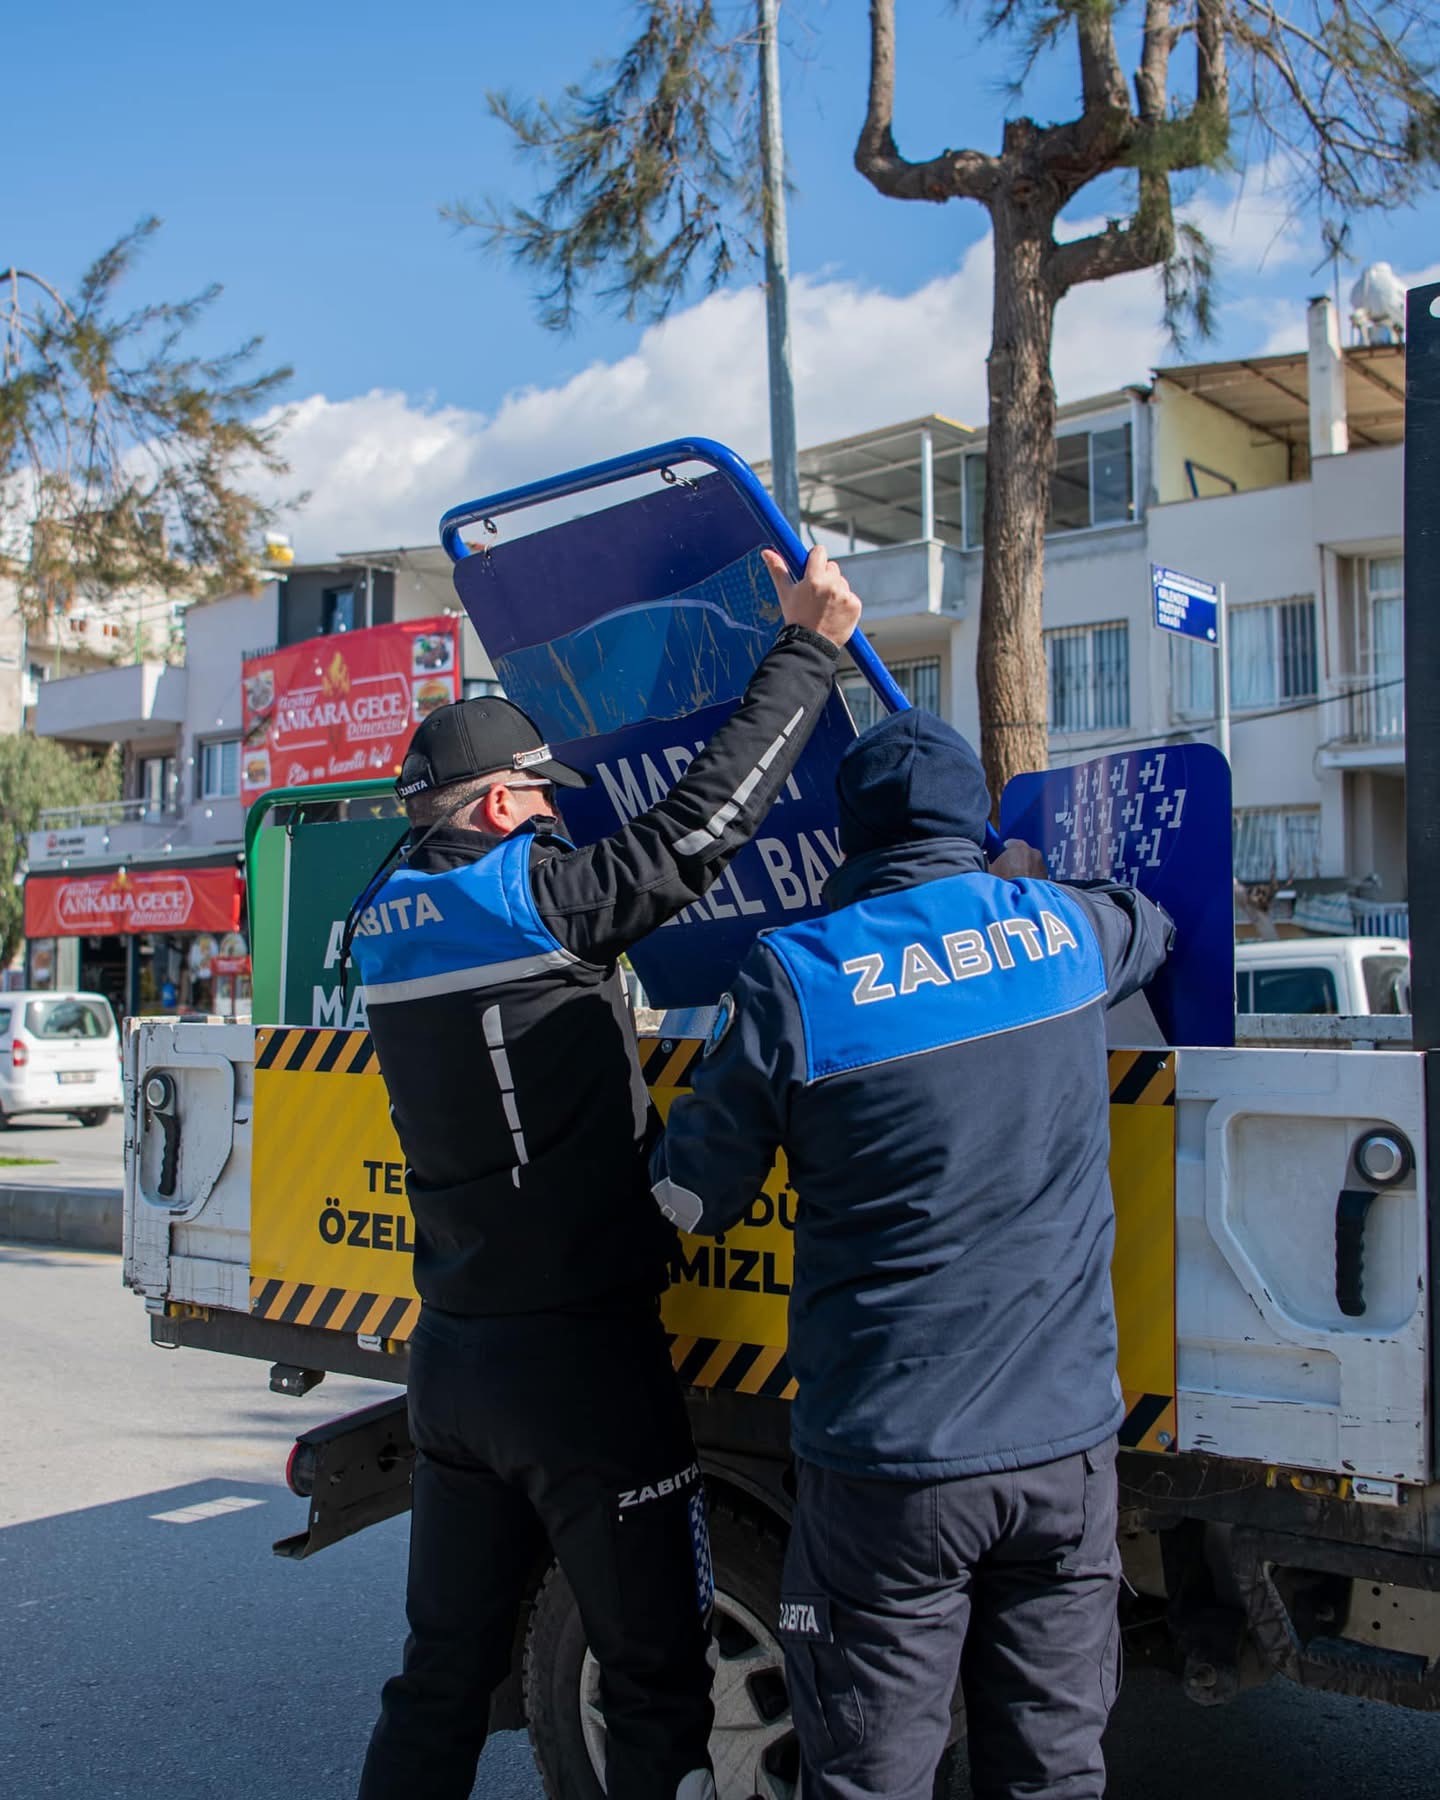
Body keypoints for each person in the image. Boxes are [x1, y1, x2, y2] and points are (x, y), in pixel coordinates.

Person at [347, 546, 861, 1800]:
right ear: (511, 805)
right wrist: (809, 649)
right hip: (581, 1361)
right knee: (653, 1681)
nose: (564, 815)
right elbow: (709, 821)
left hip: (454, 1359)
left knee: (437, 1680)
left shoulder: (377, 928)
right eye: (548, 796)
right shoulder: (537, 906)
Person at [650, 709, 1173, 1800]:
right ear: (977, 824)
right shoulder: (1065, 933)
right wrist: (1030, 881)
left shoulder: (797, 976)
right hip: (1064, 1454)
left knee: (872, 1778)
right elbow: (1150, 924)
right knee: (1054, 1774)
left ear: (848, 837)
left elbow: (692, 1197)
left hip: (889, 1466)